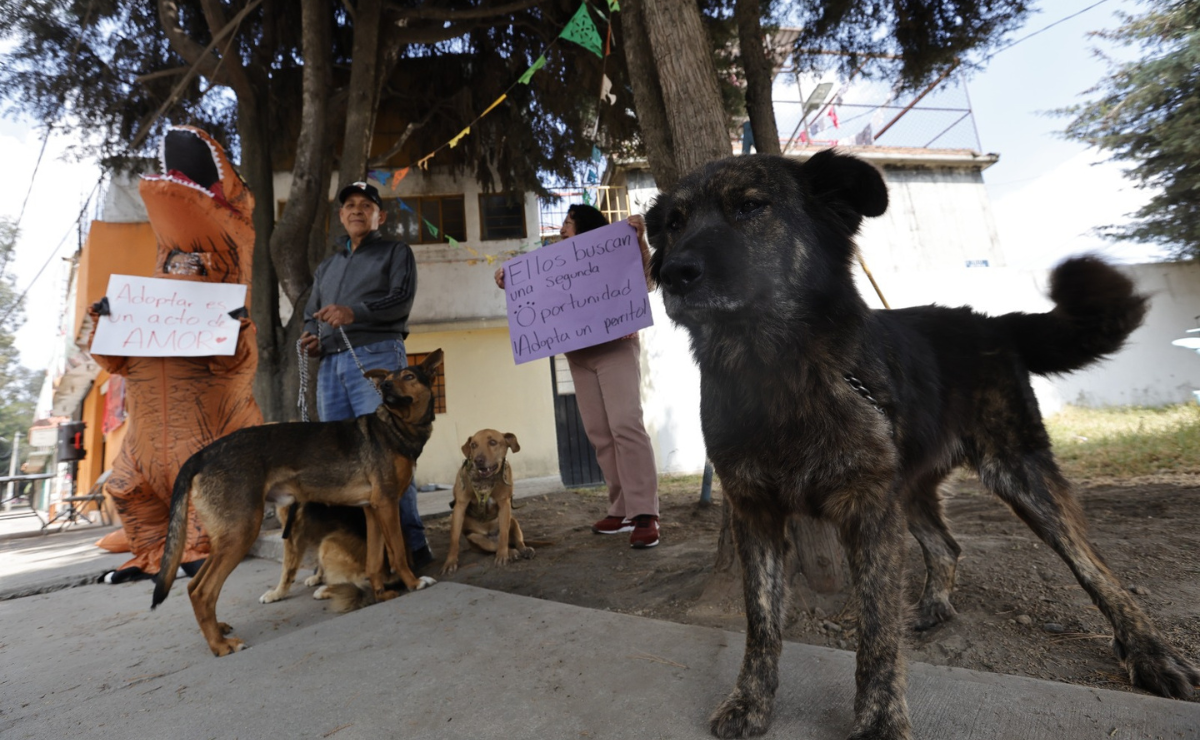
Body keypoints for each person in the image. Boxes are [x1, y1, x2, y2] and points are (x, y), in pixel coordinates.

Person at [495, 204, 661, 548]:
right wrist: (508, 282)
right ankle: (621, 509)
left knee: (625, 425)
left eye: (568, 222)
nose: (561, 230)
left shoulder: (617, 249)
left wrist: (640, 240)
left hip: (615, 348)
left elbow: (646, 281)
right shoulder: (553, 260)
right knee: (600, 434)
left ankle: (645, 514)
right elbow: (537, 297)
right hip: (578, 355)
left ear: (586, 227)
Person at [301, 181, 433, 569]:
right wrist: (311, 337)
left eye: (365, 205)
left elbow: (400, 299)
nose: (356, 210)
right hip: (330, 364)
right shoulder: (328, 265)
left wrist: (353, 312)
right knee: (340, 459)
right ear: (341, 216)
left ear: (380, 216)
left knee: (389, 456)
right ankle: (360, 550)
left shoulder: (395, 252)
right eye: (349, 206)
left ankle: (411, 546)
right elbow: (312, 313)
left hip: (376, 356)